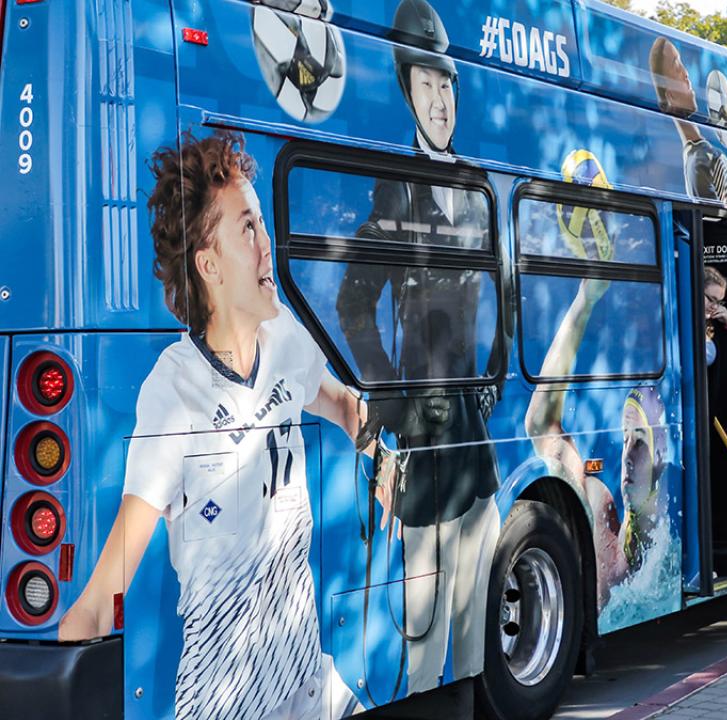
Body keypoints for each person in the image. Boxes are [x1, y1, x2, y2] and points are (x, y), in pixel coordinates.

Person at [58, 131, 366, 718]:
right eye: (247, 229)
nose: (267, 245)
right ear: (209, 265)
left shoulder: (284, 339)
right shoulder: (174, 393)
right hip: (225, 704)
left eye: (262, 224)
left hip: (311, 688)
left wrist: (382, 452)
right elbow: (99, 600)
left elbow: (345, 406)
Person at [336, 0, 507, 692]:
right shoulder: (396, 189)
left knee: (473, 622)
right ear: (407, 93)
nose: (440, 102)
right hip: (426, 444)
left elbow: (508, 291)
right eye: (425, 86)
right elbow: (352, 304)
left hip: (473, 441)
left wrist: (495, 371)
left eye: (446, 85)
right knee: (426, 634)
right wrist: (392, 400)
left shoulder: (479, 188)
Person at [525, 276, 670, 608]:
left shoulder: (666, 538)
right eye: (624, 439)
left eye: (640, 441)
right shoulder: (598, 513)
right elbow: (539, 422)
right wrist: (584, 302)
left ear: (660, 455)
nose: (627, 456)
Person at [648, 37, 727, 209]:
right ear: (671, 96)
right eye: (677, 66)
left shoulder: (700, 151)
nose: (686, 73)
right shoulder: (698, 162)